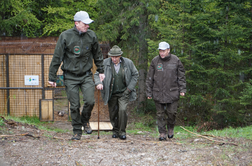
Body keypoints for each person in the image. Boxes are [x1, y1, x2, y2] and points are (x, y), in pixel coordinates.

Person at [48, 11, 105, 140]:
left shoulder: (91, 36)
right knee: (74, 106)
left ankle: (85, 120)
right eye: (85, 23)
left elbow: (98, 55)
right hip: (70, 76)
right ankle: (77, 130)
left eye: (88, 24)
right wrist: (52, 77)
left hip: (86, 75)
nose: (88, 26)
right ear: (76, 23)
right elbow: (57, 57)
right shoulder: (65, 36)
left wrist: (101, 71)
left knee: (90, 101)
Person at [95, 45, 139, 140]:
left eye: (116, 57)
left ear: (120, 56)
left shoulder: (128, 63)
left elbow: (135, 74)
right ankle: (115, 130)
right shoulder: (105, 63)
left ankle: (122, 131)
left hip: (124, 92)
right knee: (113, 112)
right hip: (111, 93)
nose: (114, 59)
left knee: (122, 110)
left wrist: (129, 89)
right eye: (112, 57)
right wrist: (98, 83)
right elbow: (97, 74)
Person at [146, 42, 186, 141]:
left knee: (172, 113)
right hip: (158, 92)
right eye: (160, 51)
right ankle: (162, 133)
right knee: (160, 114)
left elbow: (181, 77)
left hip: (172, 92)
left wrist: (182, 89)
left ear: (168, 50)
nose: (161, 53)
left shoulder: (176, 60)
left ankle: (171, 128)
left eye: (163, 51)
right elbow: (150, 78)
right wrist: (148, 92)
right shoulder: (155, 61)